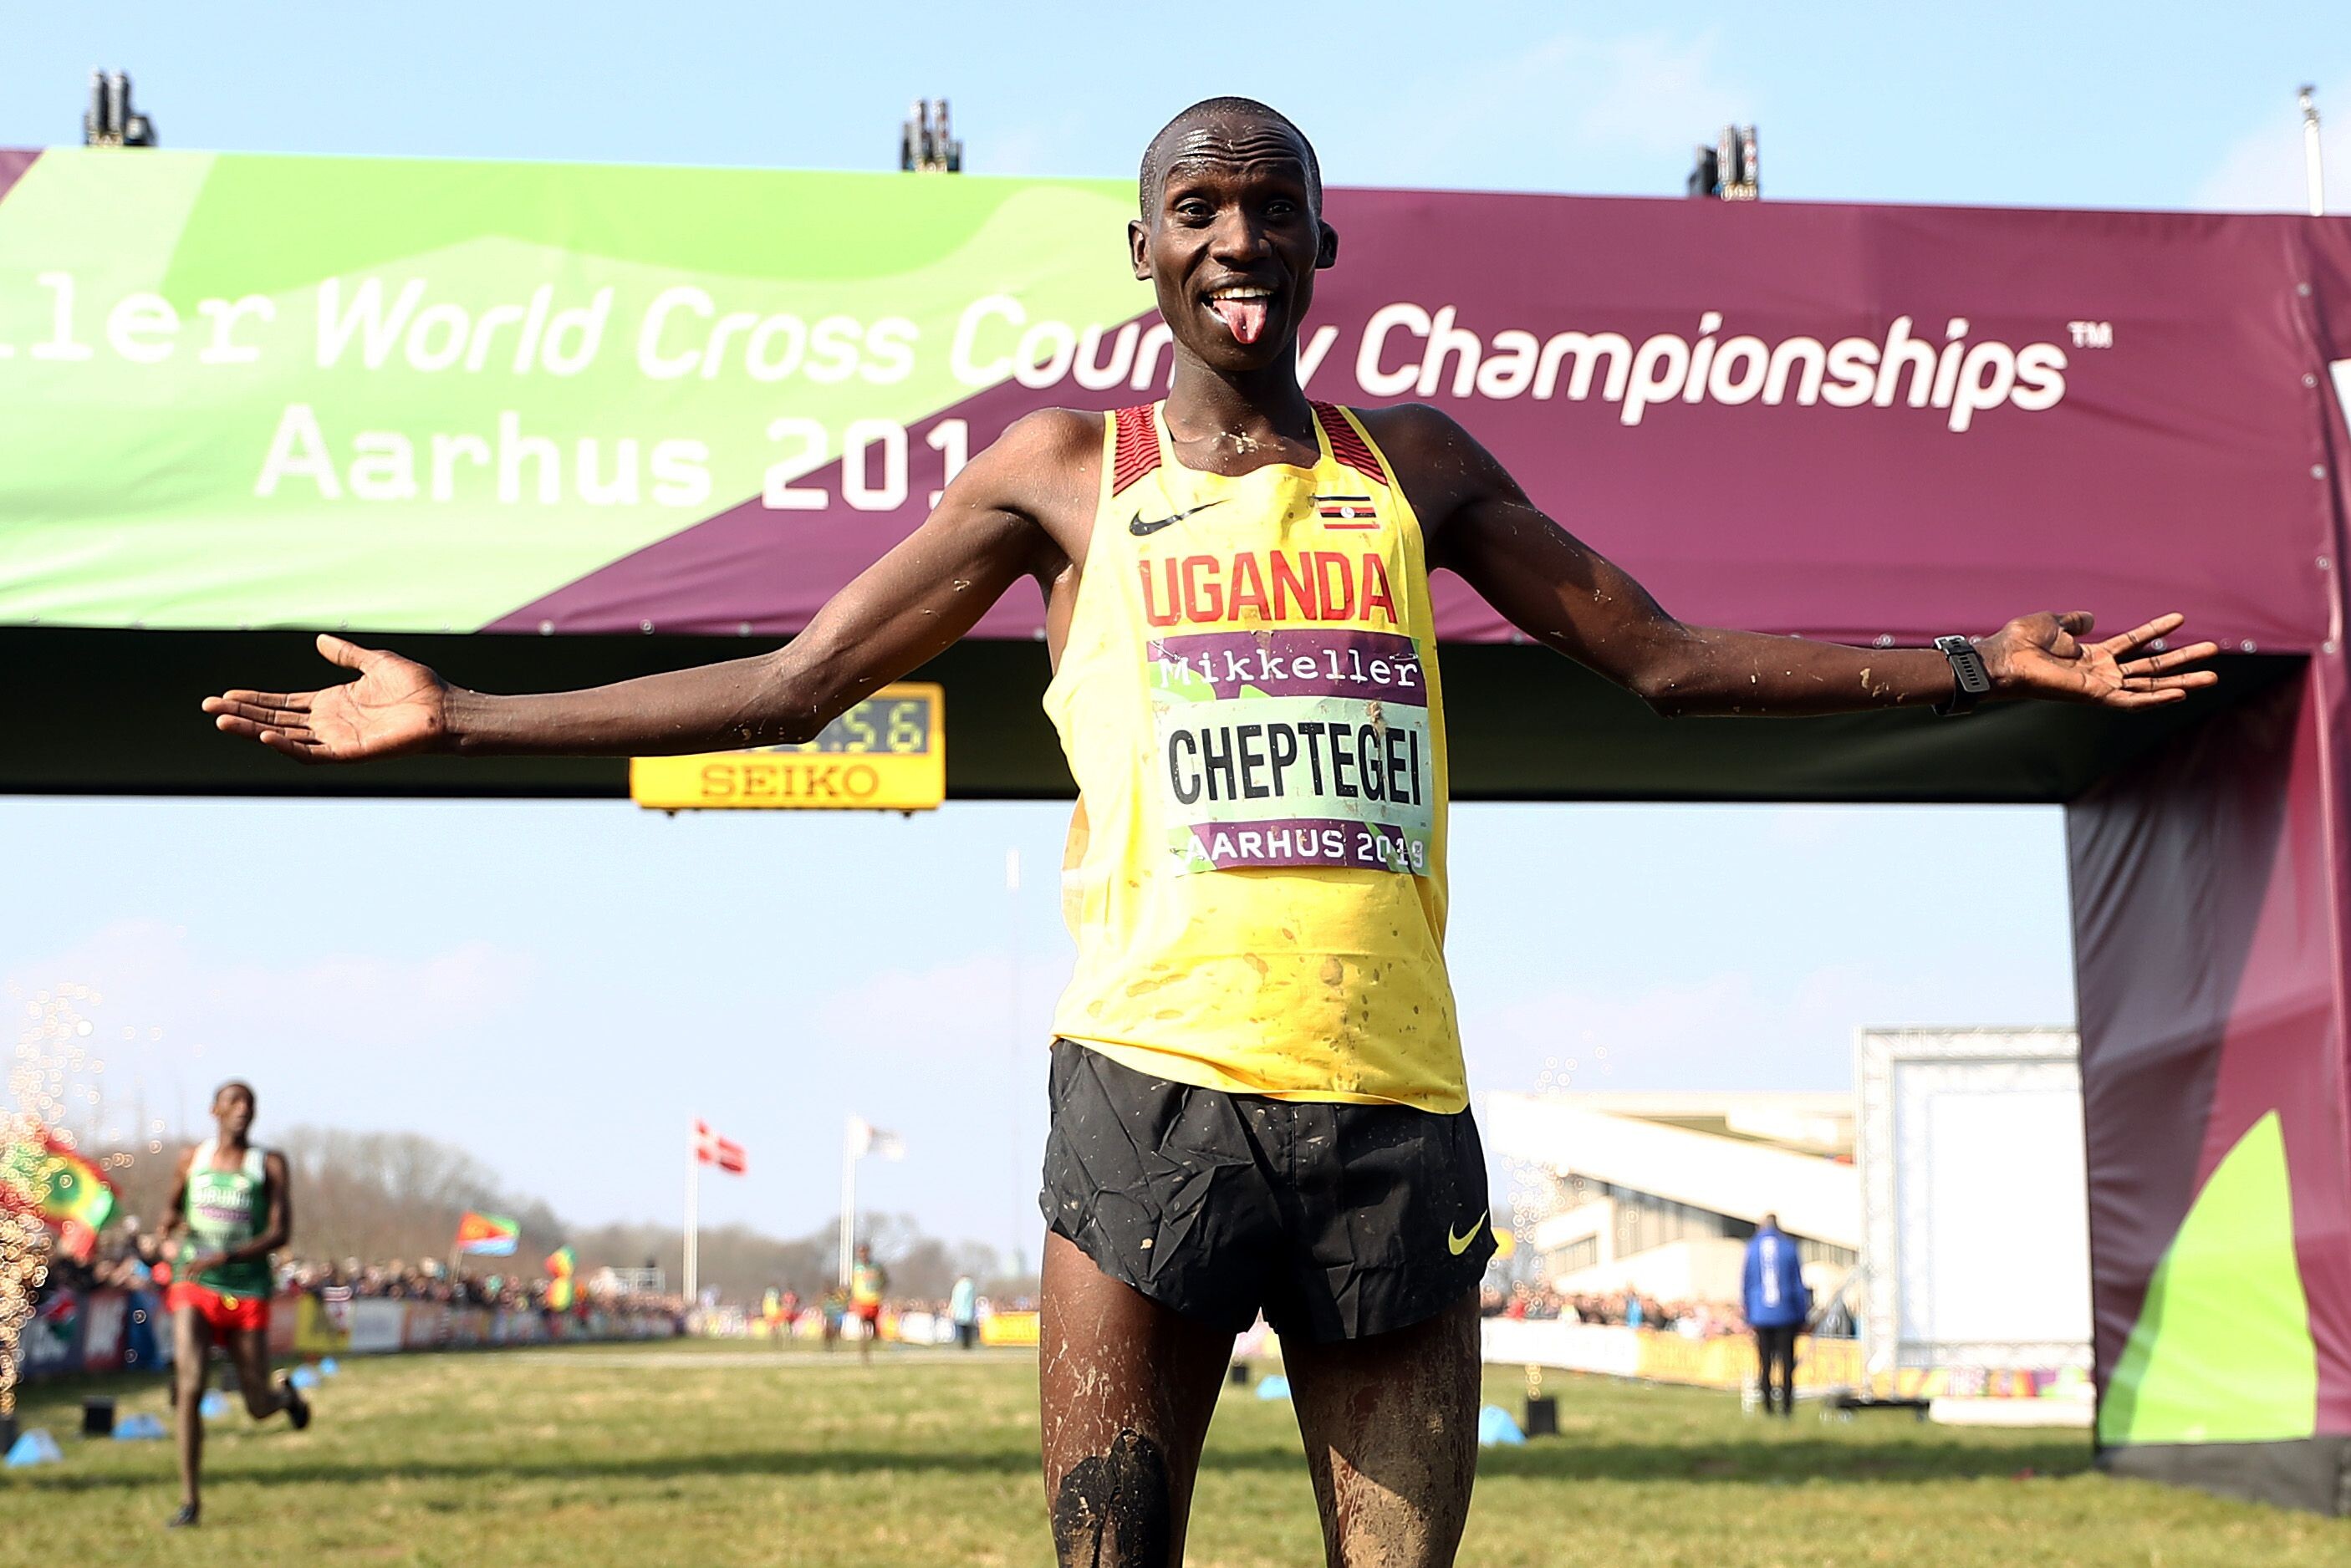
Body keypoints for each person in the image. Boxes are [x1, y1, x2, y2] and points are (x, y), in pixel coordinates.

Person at [200, 96, 2217, 1568]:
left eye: (1269, 206)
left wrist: (1971, 657)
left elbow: (1664, 658)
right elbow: (797, 683)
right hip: (1148, 1103)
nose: (1236, 235)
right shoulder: (1061, 477)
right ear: (1143, 249)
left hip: (1389, 1118)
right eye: (1197, 206)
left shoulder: (1412, 467)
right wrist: (462, 710)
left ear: (1322, 242)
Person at [156, 1081, 311, 1528]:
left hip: (246, 1289)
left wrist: (225, 1256)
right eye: (234, 1102)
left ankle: (284, 1398)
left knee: (257, 1405)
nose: (242, 1110)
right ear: (215, 1111)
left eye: (249, 1104)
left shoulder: (270, 1163)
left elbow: (280, 1233)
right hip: (195, 1284)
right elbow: (170, 1213)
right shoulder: (192, 1158)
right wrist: (167, 1235)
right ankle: (190, 1502)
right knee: (190, 1386)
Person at [1743, 1212, 1812, 1418]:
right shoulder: (1788, 1247)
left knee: (1765, 1363)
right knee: (1787, 1363)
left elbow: (1747, 1284)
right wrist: (1802, 1315)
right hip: (1786, 1312)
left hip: (1760, 1314)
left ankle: (1767, 1407)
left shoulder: (1752, 1248)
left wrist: (1748, 1314)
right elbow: (1798, 1284)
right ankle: (1787, 1407)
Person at [849, 1243, 889, 1363]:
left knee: (873, 1327)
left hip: (874, 1300)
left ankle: (874, 1339)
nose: (863, 1254)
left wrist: (881, 1289)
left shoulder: (876, 1267)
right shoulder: (855, 1267)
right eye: (860, 1252)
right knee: (863, 1327)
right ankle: (864, 1353)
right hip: (860, 1301)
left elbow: (885, 1280)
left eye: (864, 1252)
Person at [951, 1272, 981, 1351]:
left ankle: (962, 1345)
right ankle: (967, 1345)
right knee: (968, 1331)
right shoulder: (970, 1285)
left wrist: (952, 1310)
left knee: (961, 1331)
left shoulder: (958, 1287)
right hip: (968, 1313)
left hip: (959, 1313)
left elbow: (954, 1300)